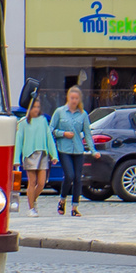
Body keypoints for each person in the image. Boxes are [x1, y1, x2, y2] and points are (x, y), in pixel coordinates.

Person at [48, 85, 95, 216]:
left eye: (76, 98)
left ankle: (75, 207)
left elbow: (87, 133)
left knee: (78, 178)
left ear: (79, 99)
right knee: (69, 175)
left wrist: (93, 150)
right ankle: (62, 200)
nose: (74, 100)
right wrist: (63, 134)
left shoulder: (83, 114)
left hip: (78, 149)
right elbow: (51, 129)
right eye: (71, 98)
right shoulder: (60, 112)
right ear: (68, 98)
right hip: (64, 149)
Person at [13, 95, 57, 216]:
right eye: (34, 107)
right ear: (29, 108)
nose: (36, 109)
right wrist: (16, 159)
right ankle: (31, 208)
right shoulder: (22, 123)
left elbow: (49, 137)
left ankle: (33, 199)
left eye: (38, 107)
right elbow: (19, 140)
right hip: (29, 154)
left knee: (42, 182)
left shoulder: (43, 120)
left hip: (43, 153)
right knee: (32, 182)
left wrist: (54, 155)